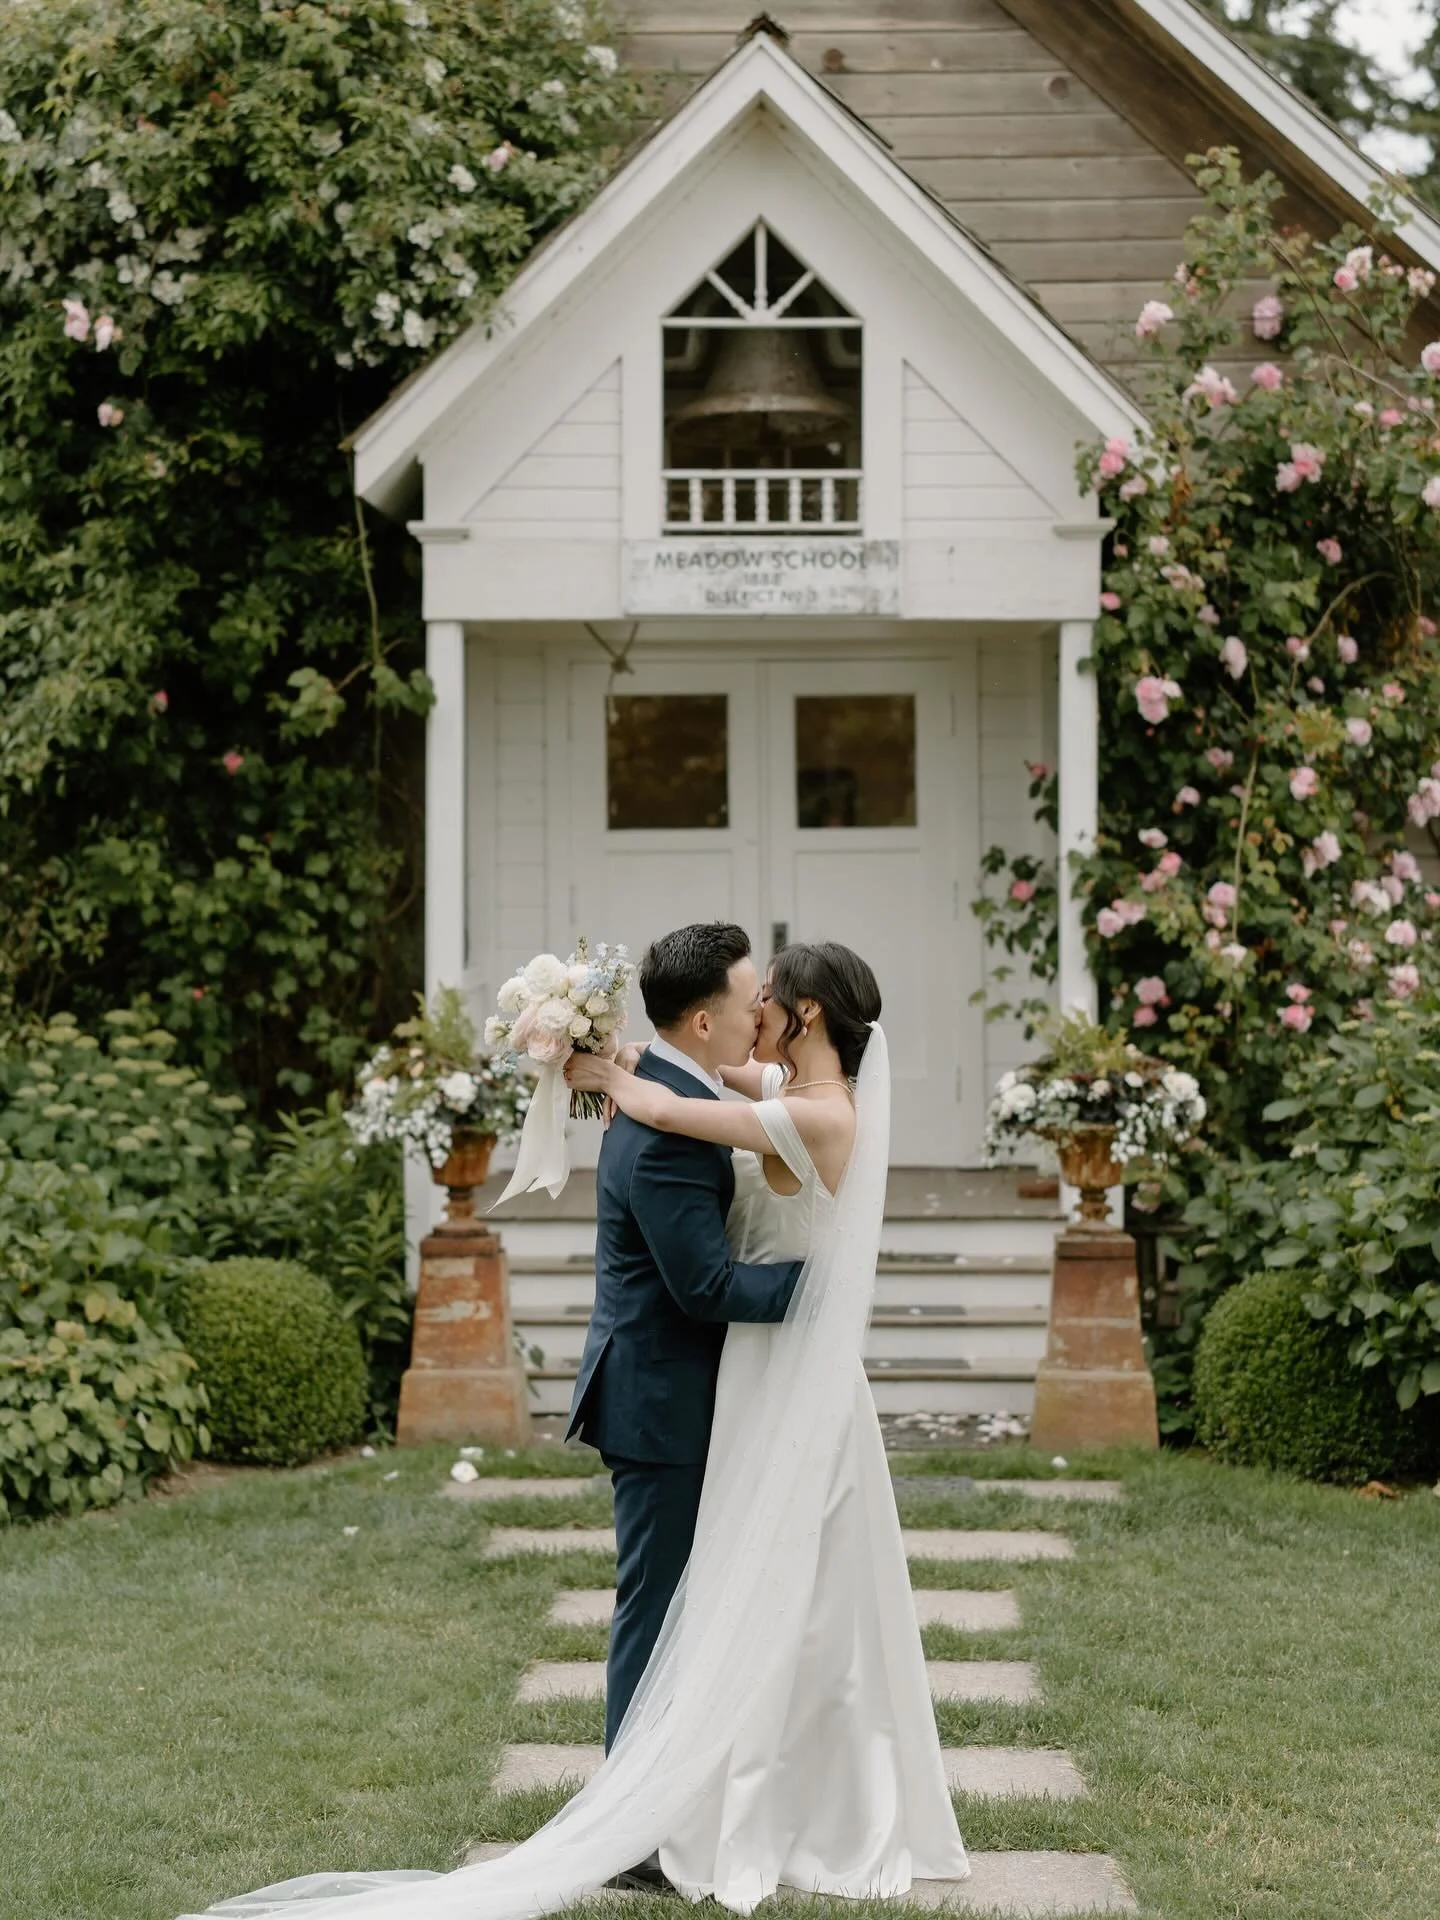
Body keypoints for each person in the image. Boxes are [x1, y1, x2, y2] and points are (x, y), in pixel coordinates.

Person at [180, 936, 968, 1920]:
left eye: (769, 995)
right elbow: (704, 1085)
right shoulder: (771, 1081)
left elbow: (682, 1109)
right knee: (697, 1598)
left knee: (797, 1597)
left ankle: (768, 1799)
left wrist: (824, 1290)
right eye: (748, 994)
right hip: (718, 1384)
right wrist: (619, 1057)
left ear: (804, 1014)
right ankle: (648, 1811)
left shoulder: (803, 1107)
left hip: (787, 1372)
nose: (758, 1005)